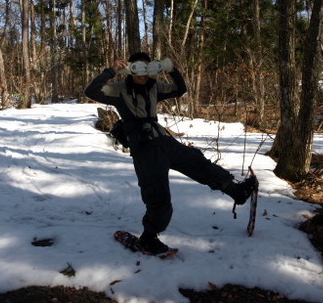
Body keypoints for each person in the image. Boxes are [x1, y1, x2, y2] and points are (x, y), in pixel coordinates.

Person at [84, 52, 256, 255]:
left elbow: (180, 89)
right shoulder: (120, 88)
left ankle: (237, 192)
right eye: (138, 68)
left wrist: (171, 69)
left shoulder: (154, 86)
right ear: (131, 68)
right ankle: (149, 238)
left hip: (163, 141)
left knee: (197, 162)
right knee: (158, 196)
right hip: (144, 149)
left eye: (147, 68)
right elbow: (91, 91)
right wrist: (112, 71)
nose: (143, 73)